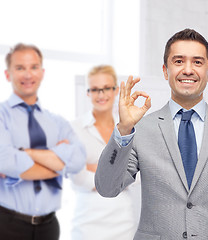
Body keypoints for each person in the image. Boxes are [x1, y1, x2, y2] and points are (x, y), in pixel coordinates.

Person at [94, 28, 208, 240]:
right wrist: (124, 129)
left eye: (197, 62)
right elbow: (107, 188)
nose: (188, 69)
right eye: (178, 61)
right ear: (165, 71)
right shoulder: (141, 129)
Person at [0, 43, 86, 240]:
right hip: (7, 226)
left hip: (49, 227)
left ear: (42, 72)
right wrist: (58, 160)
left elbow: (78, 160)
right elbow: (5, 161)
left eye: (33, 67)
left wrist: (25, 153)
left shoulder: (57, 122)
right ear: (7, 74)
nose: (28, 75)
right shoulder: (1, 116)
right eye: (20, 68)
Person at [70, 65, 139, 240]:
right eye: (95, 89)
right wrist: (117, 171)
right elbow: (76, 175)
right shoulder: (75, 128)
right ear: (88, 93)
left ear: (115, 90)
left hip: (122, 217)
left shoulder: (129, 126)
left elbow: (139, 172)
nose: (101, 95)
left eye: (106, 88)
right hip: (87, 218)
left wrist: (95, 168)